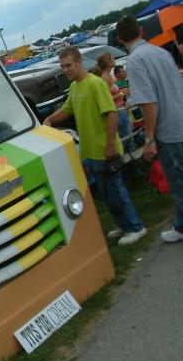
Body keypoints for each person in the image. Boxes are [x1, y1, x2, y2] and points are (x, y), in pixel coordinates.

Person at [43, 46, 146, 246]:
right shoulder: (75, 87)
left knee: (117, 190)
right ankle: (124, 225)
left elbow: (112, 114)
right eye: (62, 66)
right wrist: (50, 119)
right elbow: (66, 110)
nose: (65, 70)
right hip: (91, 152)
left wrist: (110, 144)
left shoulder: (95, 83)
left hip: (106, 150)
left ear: (79, 63)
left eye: (68, 65)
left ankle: (136, 227)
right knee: (109, 195)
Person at [116, 15, 183, 243]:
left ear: (119, 39)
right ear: (141, 31)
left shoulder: (135, 61)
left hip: (169, 130)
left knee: (178, 181)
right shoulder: (161, 52)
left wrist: (149, 139)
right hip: (179, 119)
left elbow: (148, 103)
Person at [93, 53, 134, 152]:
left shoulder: (108, 76)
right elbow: (105, 99)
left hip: (121, 109)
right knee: (127, 139)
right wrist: (121, 93)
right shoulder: (104, 77)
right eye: (112, 58)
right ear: (107, 62)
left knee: (128, 137)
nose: (114, 59)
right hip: (117, 111)